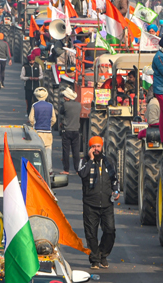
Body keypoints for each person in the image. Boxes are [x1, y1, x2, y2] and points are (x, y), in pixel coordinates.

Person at [78, 136, 120, 270]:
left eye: (98, 146)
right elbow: (82, 174)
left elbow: (114, 179)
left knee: (110, 230)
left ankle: (103, 254)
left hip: (107, 203)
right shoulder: (84, 161)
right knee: (91, 234)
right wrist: (90, 160)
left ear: (102, 147)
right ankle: (95, 260)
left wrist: (116, 190)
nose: (96, 149)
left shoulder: (109, 161)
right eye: (93, 146)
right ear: (90, 148)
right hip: (90, 204)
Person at [29, 87, 56, 174]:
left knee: (37, 152)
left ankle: (38, 169)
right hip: (47, 131)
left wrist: (34, 125)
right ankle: (49, 169)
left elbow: (31, 119)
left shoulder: (34, 106)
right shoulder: (50, 106)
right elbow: (54, 119)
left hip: (38, 132)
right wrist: (49, 125)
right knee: (48, 151)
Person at [60, 88, 81, 175]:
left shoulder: (65, 105)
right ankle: (77, 169)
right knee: (76, 151)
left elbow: (61, 112)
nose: (64, 97)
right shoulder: (79, 105)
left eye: (65, 96)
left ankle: (66, 169)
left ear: (68, 98)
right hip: (76, 130)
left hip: (67, 130)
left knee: (66, 151)